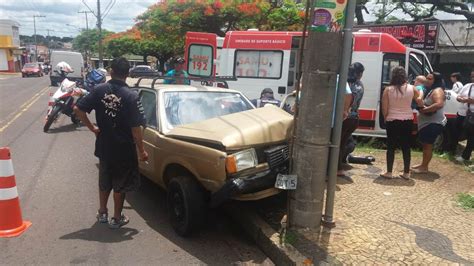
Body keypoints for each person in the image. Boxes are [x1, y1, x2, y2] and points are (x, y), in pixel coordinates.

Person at [73, 57, 148, 229]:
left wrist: (92, 128)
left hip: (104, 145)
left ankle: (102, 213)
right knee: (120, 184)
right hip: (124, 148)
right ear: (128, 74)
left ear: (111, 72)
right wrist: (142, 151)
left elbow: (78, 108)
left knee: (105, 179)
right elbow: (136, 128)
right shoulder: (131, 96)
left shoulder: (99, 90)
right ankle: (116, 218)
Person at [381, 67, 421, 179]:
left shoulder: (388, 89)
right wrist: (421, 93)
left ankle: (389, 172)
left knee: (391, 146)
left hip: (392, 119)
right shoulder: (412, 88)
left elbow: (385, 108)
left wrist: (386, 118)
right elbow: (419, 100)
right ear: (405, 76)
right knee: (406, 146)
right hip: (407, 119)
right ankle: (406, 173)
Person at [412, 72, 447, 173]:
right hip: (428, 124)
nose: (427, 80)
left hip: (433, 123)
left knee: (428, 146)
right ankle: (423, 164)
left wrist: (425, 110)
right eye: (426, 78)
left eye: (430, 78)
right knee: (426, 145)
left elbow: (439, 104)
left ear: (436, 80)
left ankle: (424, 167)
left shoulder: (437, 90)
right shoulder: (430, 90)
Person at [338, 62, 365, 177]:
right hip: (353, 118)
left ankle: (336, 167)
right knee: (342, 143)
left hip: (343, 117)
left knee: (337, 143)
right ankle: (338, 167)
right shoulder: (359, 85)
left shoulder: (343, 82)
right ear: (359, 74)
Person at [454, 70, 474, 163]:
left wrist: (470, 101)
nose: (473, 78)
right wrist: (460, 99)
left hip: (471, 114)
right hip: (464, 114)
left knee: (471, 136)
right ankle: (454, 150)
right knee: (459, 132)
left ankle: (465, 156)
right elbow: (458, 96)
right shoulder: (467, 86)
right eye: (472, 76)